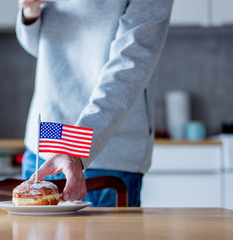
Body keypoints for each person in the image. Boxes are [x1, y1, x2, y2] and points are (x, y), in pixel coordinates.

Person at [16, 0, 174, 207]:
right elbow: (40, 46)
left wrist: (74, 149)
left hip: (107, 153)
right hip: (46, 140)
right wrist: (30, 11)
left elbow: (128, 68)